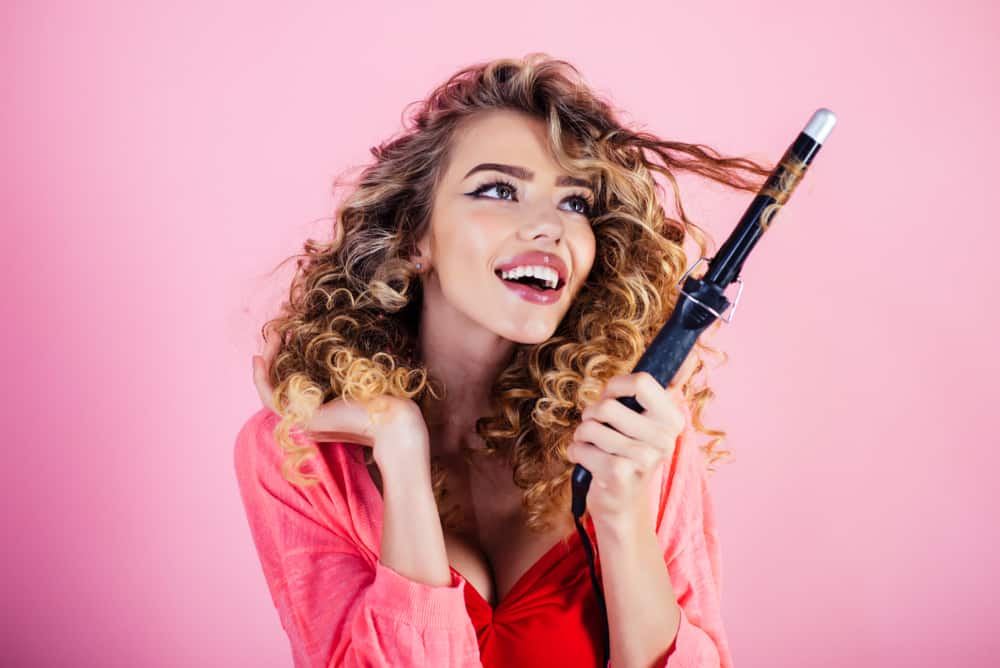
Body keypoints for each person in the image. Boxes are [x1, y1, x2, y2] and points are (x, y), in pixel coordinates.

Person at [233, 53, 773, 667]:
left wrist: (622, 518)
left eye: (575, 203)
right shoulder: (303, 455)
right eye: (498, 190)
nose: (549, 226)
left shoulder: (637, 428)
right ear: (416, 239)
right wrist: (401, 454)